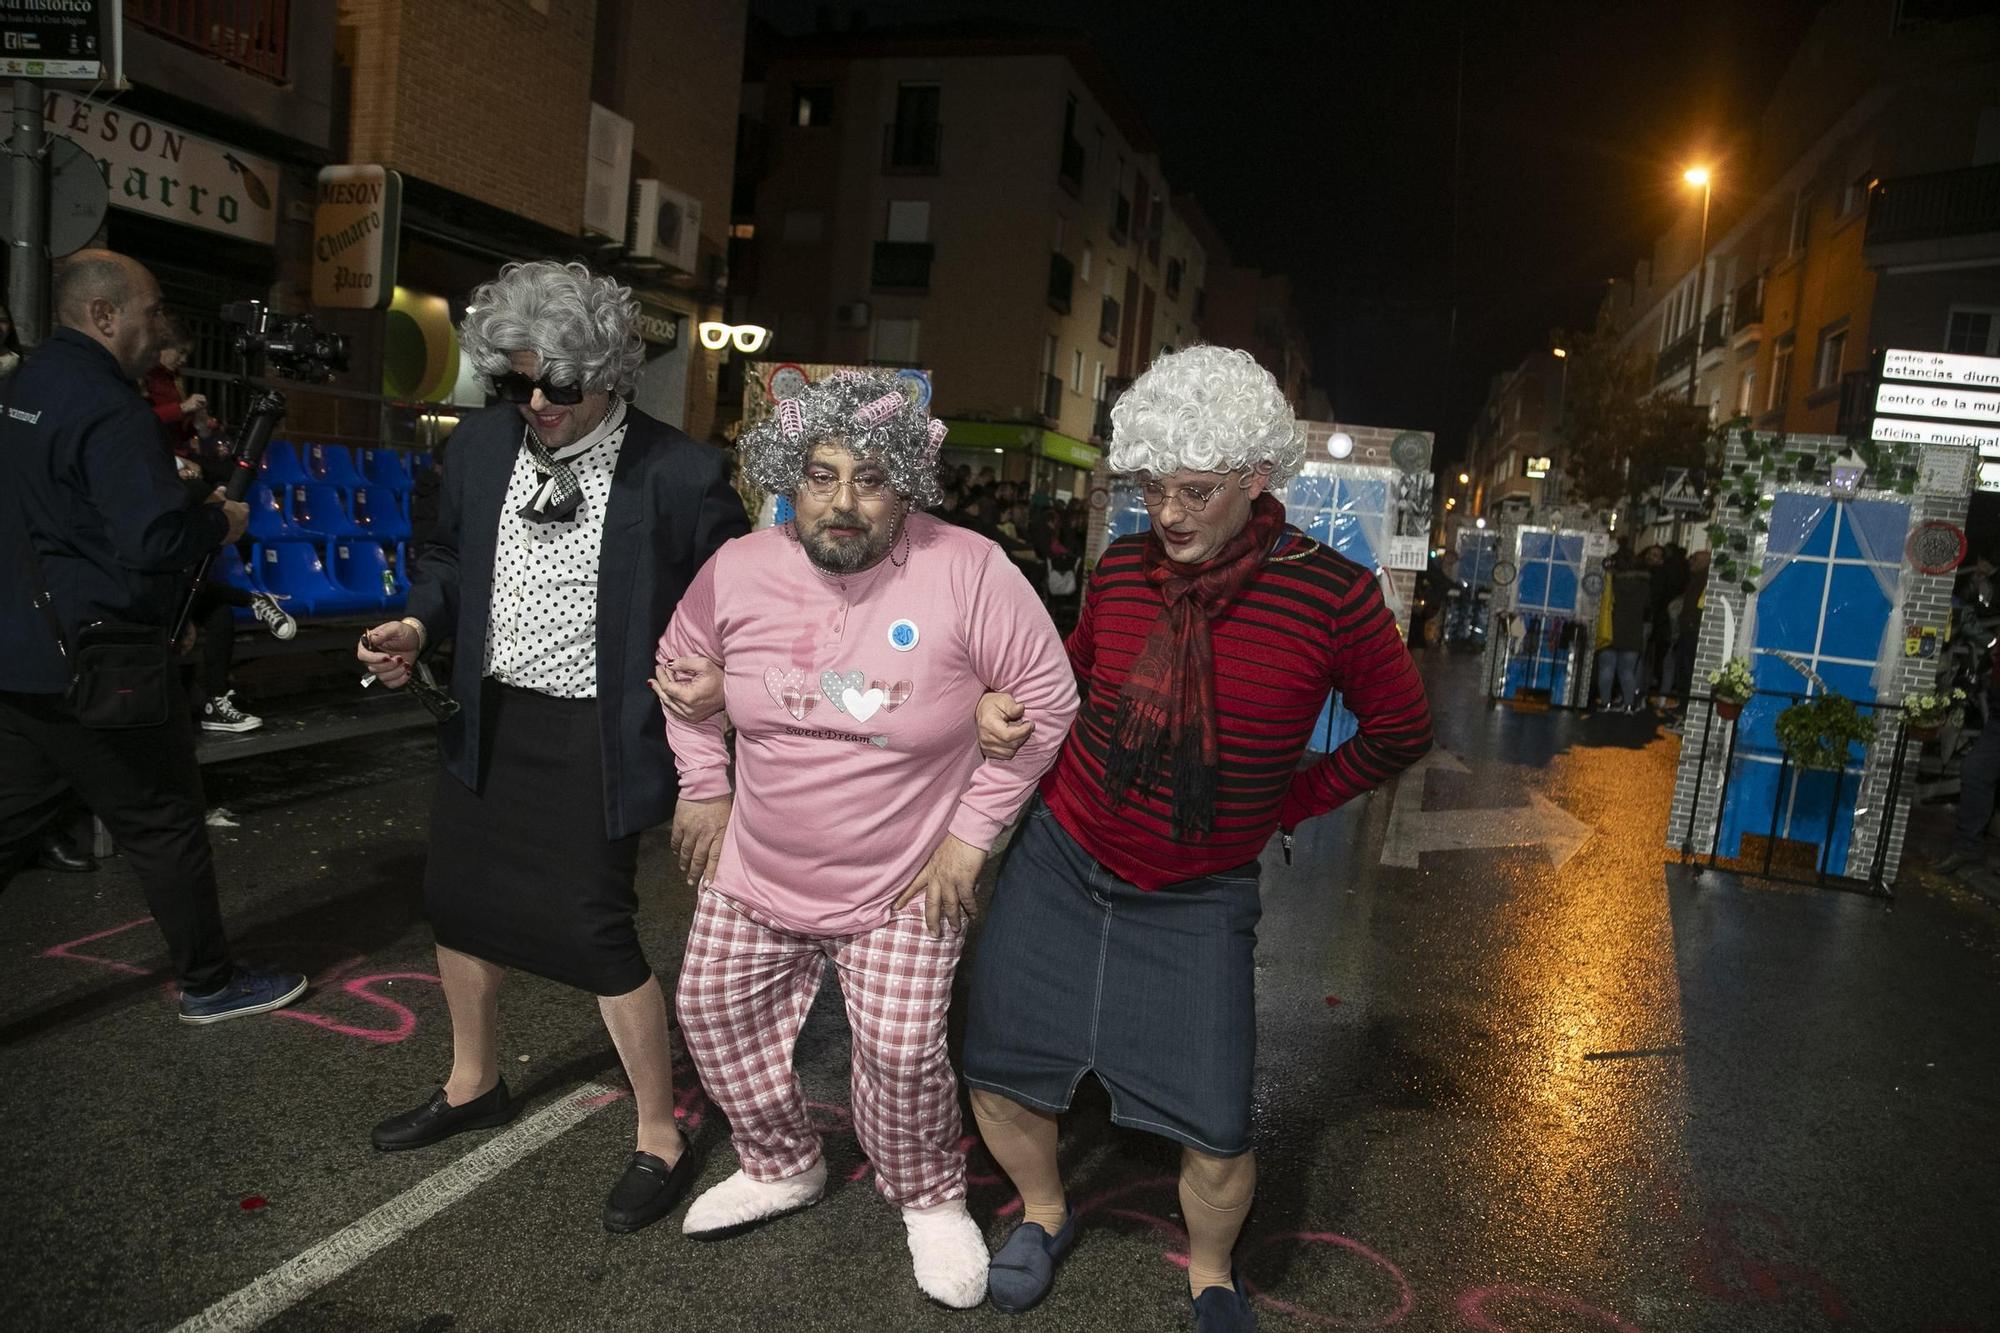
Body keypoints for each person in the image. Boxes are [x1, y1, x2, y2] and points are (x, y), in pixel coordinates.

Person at [964, 347, 1432, 1330]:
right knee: (1002, 1066)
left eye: (1194, 491)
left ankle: (1211, 1275)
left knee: (1216, 1124)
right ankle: (1043, 1214)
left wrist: (1290, 800)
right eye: (1151, 487)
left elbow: (1399, 728)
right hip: (1061, 852)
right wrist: (1009, 707)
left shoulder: (1332, 593)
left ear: (1255, 479)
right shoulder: (1123, 567)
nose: (1167, 513)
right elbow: (1072, 682)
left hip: (1197, 889)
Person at [654, 373, 1078, 1308]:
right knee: (712, 1010)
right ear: (786, 479)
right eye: (819, 475)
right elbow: (678, 669)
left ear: (910, 485)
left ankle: (928, 1197)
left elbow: (1048, 703)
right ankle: (779, 1161)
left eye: (871, 477)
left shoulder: (967, 567)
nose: (842, 502)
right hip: (757, 865)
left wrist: (972, 838)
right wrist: (704, 785)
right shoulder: (737, 567)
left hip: (906, 879)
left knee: (898, 1050)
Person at [355, 261, 749, 1233]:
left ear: (608, 370)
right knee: (456, 901)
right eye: (517, 380)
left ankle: (658, 1131)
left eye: (557, 385)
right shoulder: (485, 447)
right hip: (487, 717)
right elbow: (444, 559)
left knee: (592, 927)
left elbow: (738, 611)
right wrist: (415, 625)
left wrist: (722, 699)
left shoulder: (681, 473)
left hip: (595, 733)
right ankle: (471, 1079)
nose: (536, 402)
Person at [0, 249, 305, 1023]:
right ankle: (210, 982)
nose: (159, 324)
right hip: (97, 657)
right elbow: (151, 539)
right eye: (150, 309)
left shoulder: (24, 385)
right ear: (103, 315)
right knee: (166, 821)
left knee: (8, 823)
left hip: (22, 651)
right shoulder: (111, 405)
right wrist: (218, 519)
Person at [1595, 554, 1653, 713]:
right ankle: (1629, 705)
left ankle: (1605, 703)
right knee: (1627, 671)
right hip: (1633, 632)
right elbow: (1648, 607)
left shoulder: (1611, 583)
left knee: (1606, 669)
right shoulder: (1644, 586)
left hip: (1610, 631)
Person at [144, 324, 212, 459]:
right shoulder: (145, 376)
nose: (184, 360)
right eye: (181, 352)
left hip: (176, 453)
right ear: (162, 347)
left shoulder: (172, 377)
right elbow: (142, 419)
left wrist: (197, 422)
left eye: (187, 354)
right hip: (156, 454)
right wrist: (183, 407)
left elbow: (178, 433)